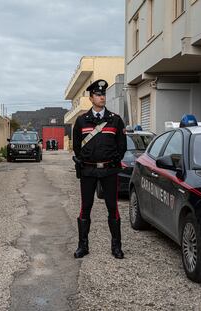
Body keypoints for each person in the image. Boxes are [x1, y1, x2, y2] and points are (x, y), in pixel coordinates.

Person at [72, 79, 127, 259]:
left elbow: (122, 147)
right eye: (98, 94)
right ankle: (83, 246)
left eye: (103, 94)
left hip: (109, 171)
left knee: (113, 207)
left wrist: (112, 161)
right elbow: (77, 147)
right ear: (91, 98)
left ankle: (116, 247)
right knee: (85, 207)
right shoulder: (81, 122)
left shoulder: (115, 120)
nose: (102, 97)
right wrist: (86, 160)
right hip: (88, 171)